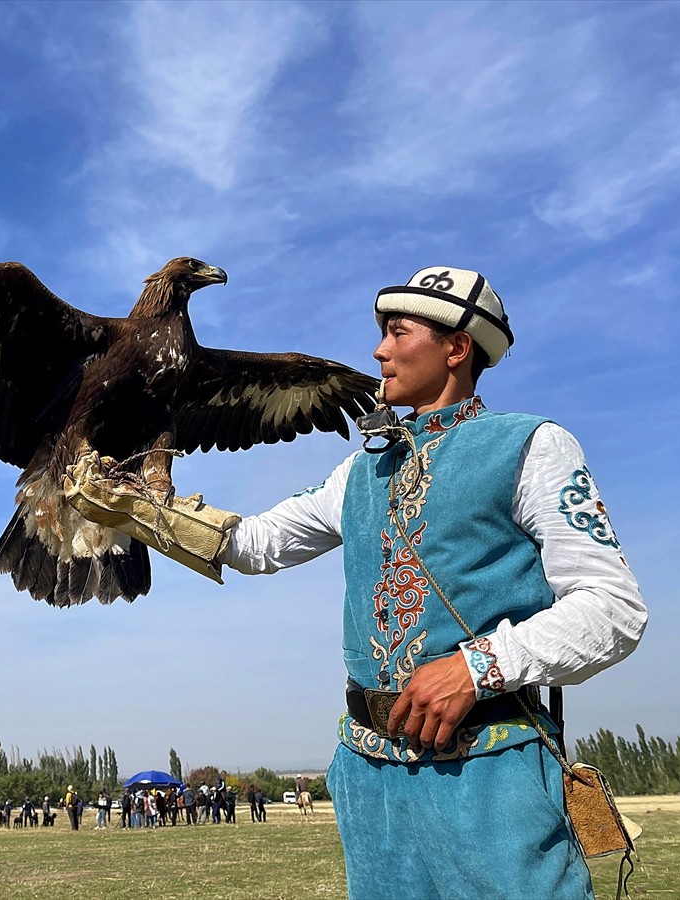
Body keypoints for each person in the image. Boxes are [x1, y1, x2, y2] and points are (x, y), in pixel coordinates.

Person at [213, 266, 647, 898]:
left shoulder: (532, 445)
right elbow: (256, 543)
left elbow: (614, 608)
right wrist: (140, 510)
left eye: (397, 331)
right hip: (369, 781)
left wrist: (478, 667)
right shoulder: (359, 470)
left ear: (456, 348)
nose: (378, 350)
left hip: (491, 774)